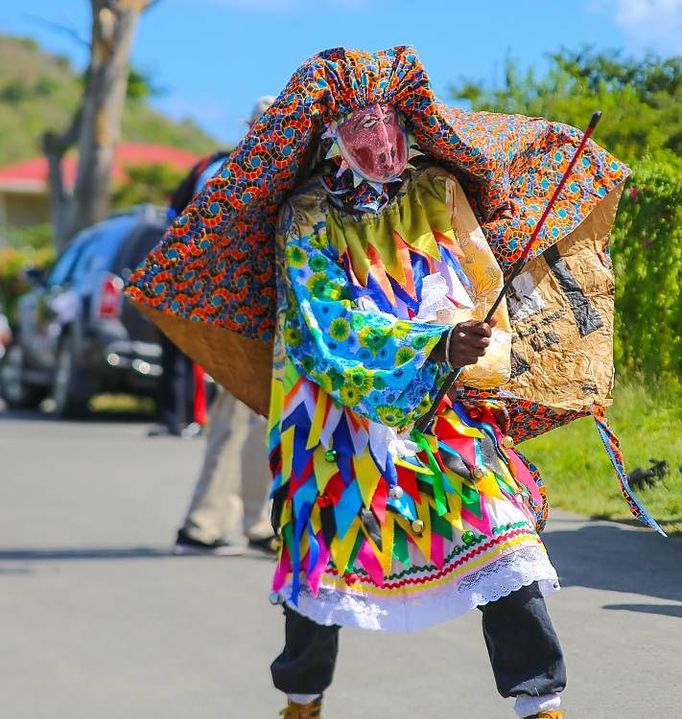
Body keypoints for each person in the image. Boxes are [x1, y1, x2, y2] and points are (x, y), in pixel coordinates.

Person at [126, 48, 660, 719]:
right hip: (337, 422)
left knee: (507, 539)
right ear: (331, 137)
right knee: (325, 570)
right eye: (361, 129)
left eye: (388, 125)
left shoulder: (439, 192)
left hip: (442, 415)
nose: (379, 143)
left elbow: (480, 286)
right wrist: (432, 346)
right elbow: (328, 328)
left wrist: (471, 343)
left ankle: (542, 704)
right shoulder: (305, 218)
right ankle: (302, 702)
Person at [173, 97, 277, 556]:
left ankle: (254, 522)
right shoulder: (229, 174)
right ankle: (215, 521)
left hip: (268, 311)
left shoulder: (276, 171)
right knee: (235, 416)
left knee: (260, 419)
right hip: (236, 312)